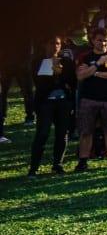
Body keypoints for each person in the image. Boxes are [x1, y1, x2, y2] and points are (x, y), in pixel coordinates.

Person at [74, 28, 107, 172]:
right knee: (86, 131)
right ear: (93, 40)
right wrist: (98, 63)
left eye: (105, 40)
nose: (102, 43)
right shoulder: (85, 56)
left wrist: (94, 72)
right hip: (89, 98)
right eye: (99, 40)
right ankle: (83, 161)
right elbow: (80, 76)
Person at [27, 36, 76, 176]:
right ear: (45, 45)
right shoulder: (37, 62)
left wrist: (60, 76)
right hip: (45, 103)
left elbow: (72, 82)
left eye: (58, 43)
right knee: (42, 134)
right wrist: (54, 76)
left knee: (62, 134)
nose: (55, 46)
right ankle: (34, 168)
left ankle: (57, 164)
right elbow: (39, 83)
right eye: (52, 43)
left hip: (63, 102)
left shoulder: (66, 62)